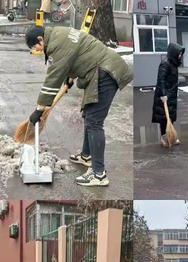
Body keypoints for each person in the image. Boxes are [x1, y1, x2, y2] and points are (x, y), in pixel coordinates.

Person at [24, 25, 133, 187]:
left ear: (41, 39)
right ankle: (86, 155)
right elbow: (77, 53)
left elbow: (52, 80)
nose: (38, 50)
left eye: (36, 47)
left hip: (105, 72)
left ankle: (99, 174)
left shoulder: (55, 45)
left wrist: (39, 109)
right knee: (88, 114)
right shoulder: (59, 33)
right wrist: (70, 77)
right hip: (101, 68)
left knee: (94, 122)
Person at [152, 42, 185, 147]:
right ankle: (164, 138)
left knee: (171, 116)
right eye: (179, 53)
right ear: (173, 52)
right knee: (163, 118)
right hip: (164, 96)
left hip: (171, 94)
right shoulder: (165, 63)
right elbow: (161, 80)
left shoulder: (173, 63)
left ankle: (171, 137)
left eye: (181, 54)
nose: (180, 56)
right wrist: (163, 94)